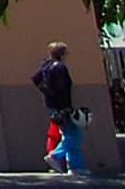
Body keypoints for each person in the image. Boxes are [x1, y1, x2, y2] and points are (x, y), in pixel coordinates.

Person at [35, 41, 86, 174]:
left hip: (52, 106)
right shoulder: (60, 67)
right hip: (62, 106)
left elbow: (36, 78)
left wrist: (47, 94)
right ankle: (56, 156)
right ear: (62, 54)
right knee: (73, 135)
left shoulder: (46, 66)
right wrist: (65, 107)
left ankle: (75, 167)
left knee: (68, 134)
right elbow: (62, 89)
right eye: (66, 53)